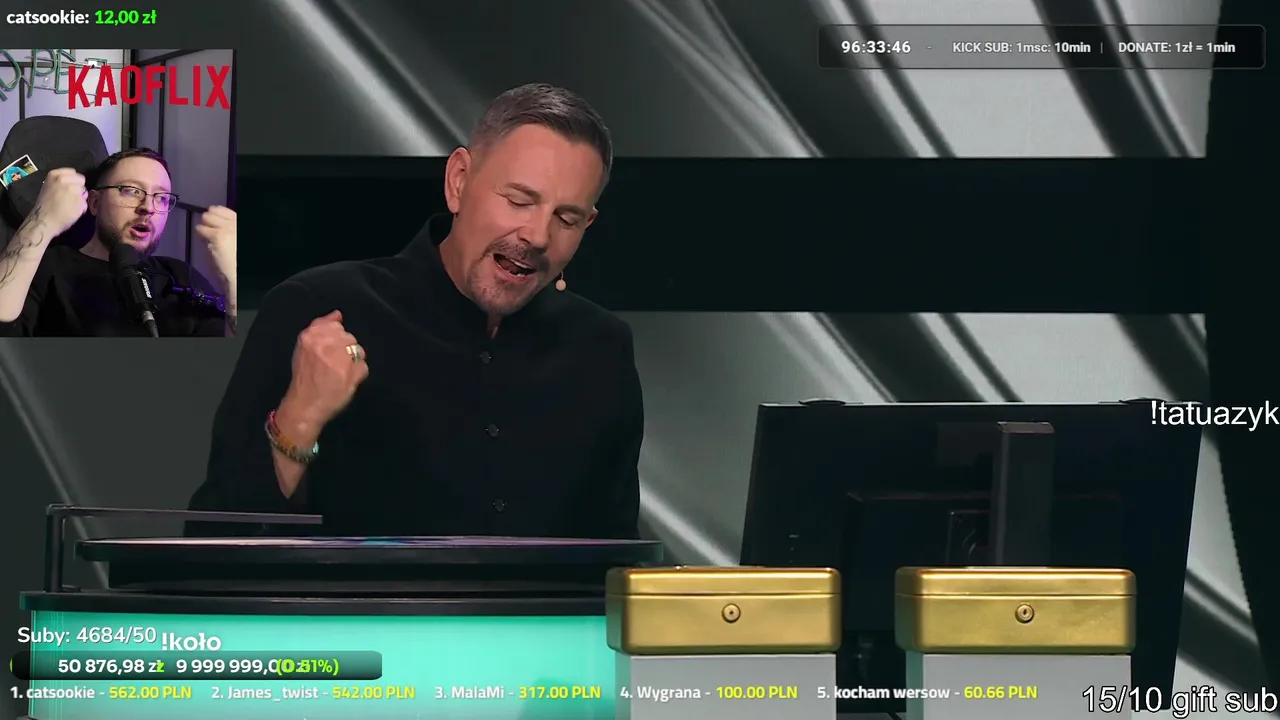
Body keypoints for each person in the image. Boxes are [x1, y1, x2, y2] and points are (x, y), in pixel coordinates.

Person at [187, 83, 642, 539]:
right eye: (519, 200)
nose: (538, 236)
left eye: (566, 218)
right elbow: (213, 542)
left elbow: (619, 558)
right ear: (459, 181)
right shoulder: (316, 307)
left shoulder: (603, 348)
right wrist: (300, 418)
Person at [0, 147, 238, 337]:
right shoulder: (45, 267)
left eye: (162, 198)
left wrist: (233, 281)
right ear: (95, 203)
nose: (148, 207)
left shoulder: (180, 276)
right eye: (131, 191)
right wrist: (41, 220)